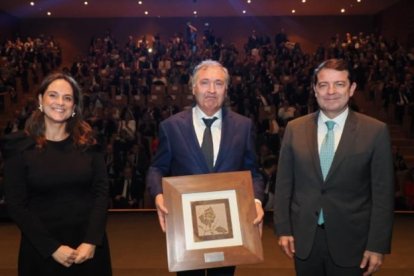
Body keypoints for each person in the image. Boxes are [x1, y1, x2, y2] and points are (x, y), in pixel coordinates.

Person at [274, 59, 394, 276]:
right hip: (304, 240)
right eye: (323, 85)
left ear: (352, 89)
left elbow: (383, 195)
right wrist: (283, 229)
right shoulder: (294, 129)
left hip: (352, 242)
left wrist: (377, 245)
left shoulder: (375, 131)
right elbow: (283, 185)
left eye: (339, 84)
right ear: (314, 89)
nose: (330, 91)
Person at [146, 60, 264, 276]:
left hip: (230, 229)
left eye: (218, 83)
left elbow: (254, 174)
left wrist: (255, 201)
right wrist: (159, 195)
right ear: (193, 87)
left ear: (226, 89)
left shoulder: (244, 126)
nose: (211, 90)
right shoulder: (171, 127)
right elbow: (156, 168)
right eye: (205, 83)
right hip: (187, 230)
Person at [1, 72, 112, 275]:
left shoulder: (90, 144)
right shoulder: (18, 147)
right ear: (40, 100)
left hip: (87, 250)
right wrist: (51, 247)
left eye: (67, 98)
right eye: (53, 95)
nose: (60, 102)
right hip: (41, 251)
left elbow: (101, 193)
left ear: (74, 107)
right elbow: (16, 205)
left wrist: (91, 241)